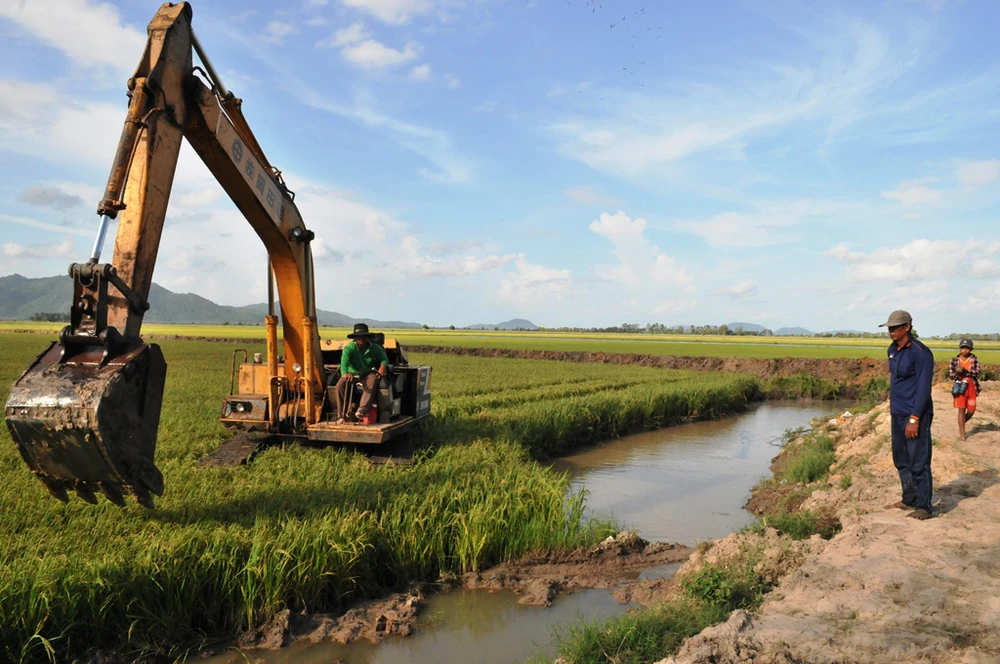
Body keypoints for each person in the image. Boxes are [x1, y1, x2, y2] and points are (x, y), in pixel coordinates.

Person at [880, 310, 935, 520]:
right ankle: (908, 499)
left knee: (918, 460)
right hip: (897, 412)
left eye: (895, 327)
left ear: (907, 327)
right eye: (889, 328)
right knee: (901, 458)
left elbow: (923, 389)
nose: (891, 331)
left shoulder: (921, 353)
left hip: (915, 414)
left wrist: (915, 418)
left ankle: (924, 506)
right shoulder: (892, 350)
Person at [333, 323, 388, 423]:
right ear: (355, 338)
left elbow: (384, 359)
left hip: (367, 373)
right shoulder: (349, 348)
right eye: (358, 337)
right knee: (339, 386)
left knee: (373, 380)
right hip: (352, 374)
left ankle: (362, 410)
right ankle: (340, 415)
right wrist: (345, 373)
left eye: (363, 336)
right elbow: (344, 364)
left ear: (367, 337)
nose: (361, 339)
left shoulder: (375, 347)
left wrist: (382, 367)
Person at [948, 339, 981, 441]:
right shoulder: (954, 360)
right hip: (959, 387)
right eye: (963, 348)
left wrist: (966, 371)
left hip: (971, 387)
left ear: (971, 349)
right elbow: (951, 375)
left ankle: (961, 424)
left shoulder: (974, 359)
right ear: (960, 348)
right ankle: (962, 433)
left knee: (971, 411)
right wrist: (958, 373)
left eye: (967, 348)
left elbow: (978, 373)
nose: (965, 350)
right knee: (961, 410)